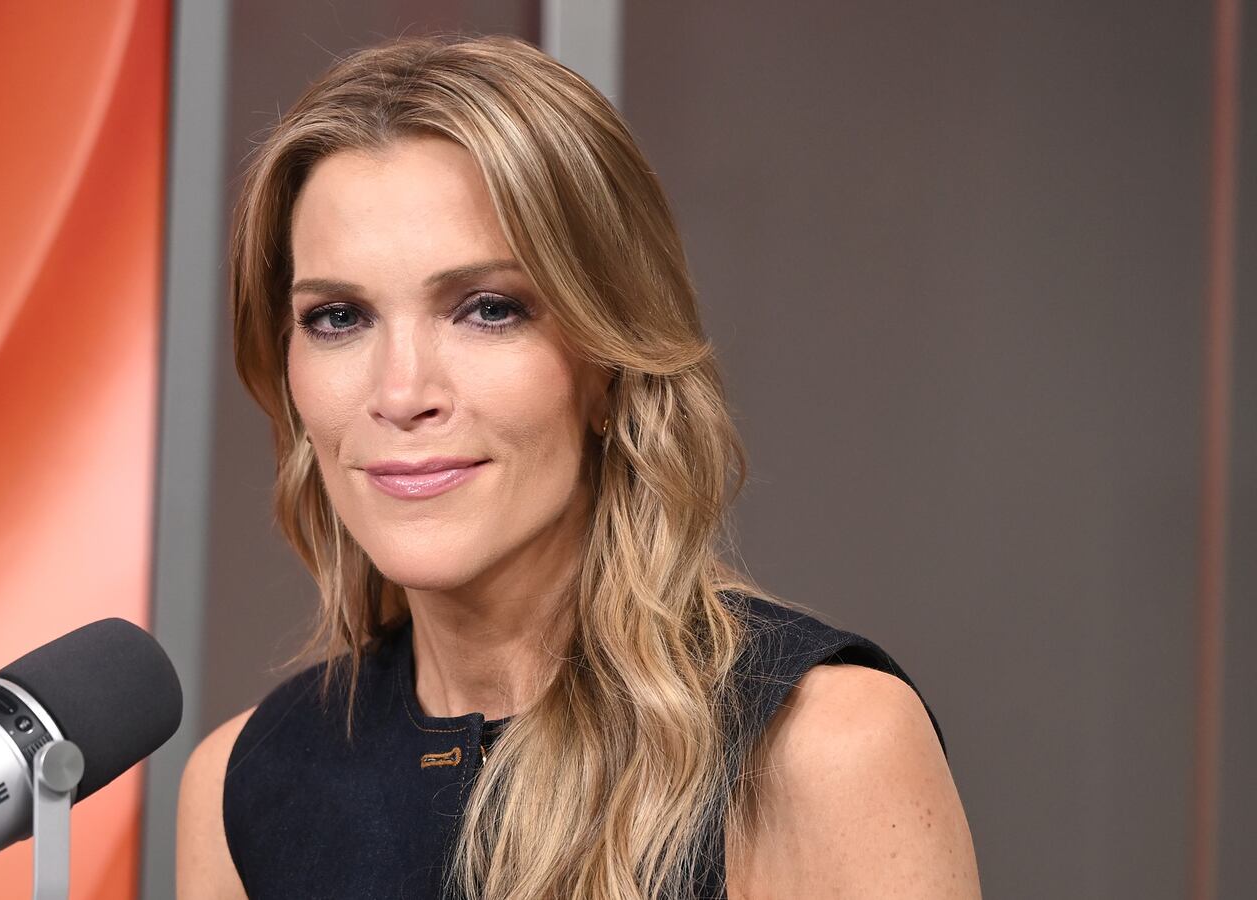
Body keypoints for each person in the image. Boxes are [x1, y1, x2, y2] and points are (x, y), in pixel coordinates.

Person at [178, 34, 978, 899]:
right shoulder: (243, 787)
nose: (401, 393)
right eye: (338, 318)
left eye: (488, 309)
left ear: (609, 360)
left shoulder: (820, 745)